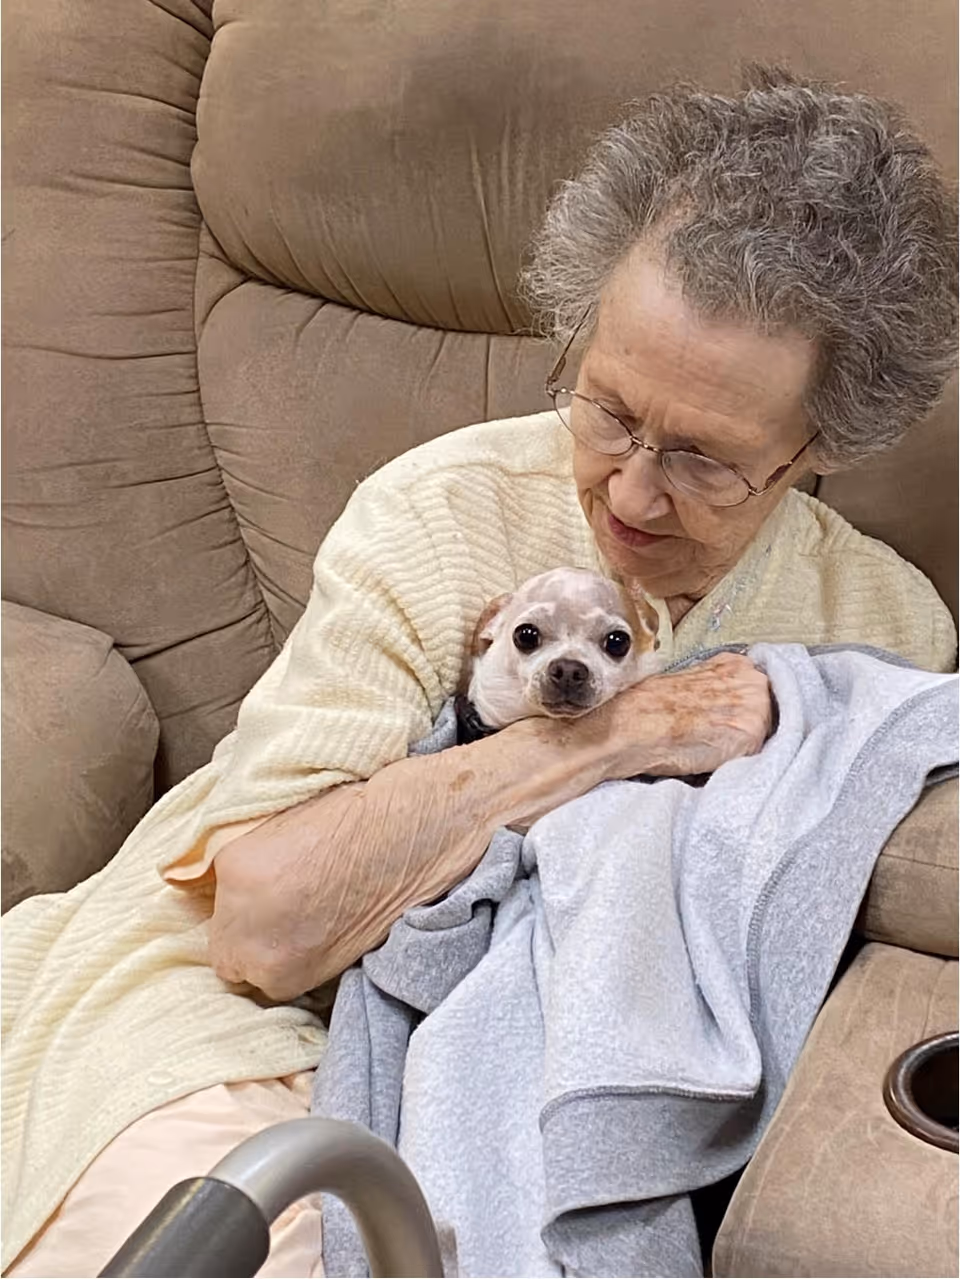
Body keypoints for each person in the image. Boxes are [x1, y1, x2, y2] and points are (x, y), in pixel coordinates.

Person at [3, 67, 956, 1278]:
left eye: (707, 460)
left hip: (569, 1056)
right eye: (607, 410)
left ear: (821, 446)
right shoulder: (440, 510)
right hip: (231, 1011)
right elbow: (263, 923)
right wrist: (618, 733)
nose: (628, 490)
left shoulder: (880, 624)